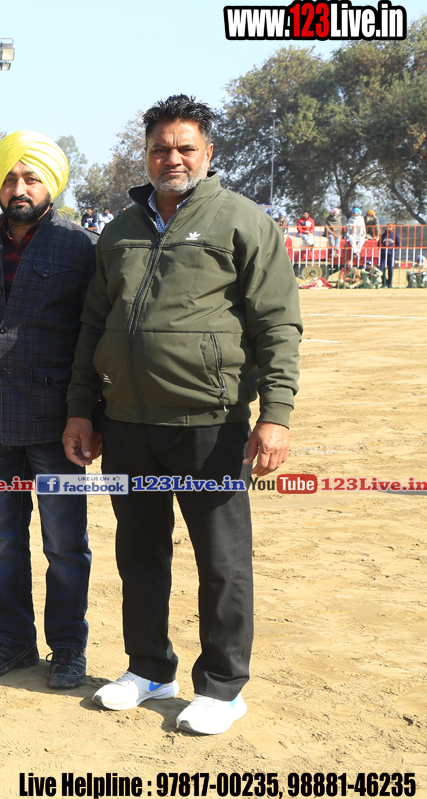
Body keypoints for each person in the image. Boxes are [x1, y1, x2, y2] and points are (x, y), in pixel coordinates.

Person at [63, 95, 301, 736]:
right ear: (146, 156)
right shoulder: (119, 231)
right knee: (139, 555)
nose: (172, 158)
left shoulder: (243, 221)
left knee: (221, 562)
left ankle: (223, 687)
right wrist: (82, 411)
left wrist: (275, 414)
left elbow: (278, 325)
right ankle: (149, 669)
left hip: (209, 426)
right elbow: (93, 327)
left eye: (185, 148)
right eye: (160, 149)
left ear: (208, 153)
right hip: (128, 426)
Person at [0, 131, 97, 687]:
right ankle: (12, 639)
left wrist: (87, 414)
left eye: (31, 178)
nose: (19, 188)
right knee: (2, 542)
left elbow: (92, 338)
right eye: (10, 178)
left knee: (65, 545)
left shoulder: (79, 249)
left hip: (58, 427)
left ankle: (67, 648)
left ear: (50, 185)